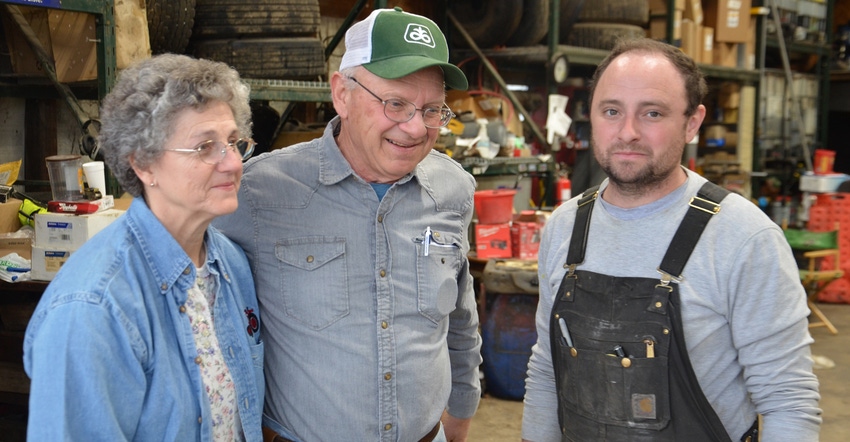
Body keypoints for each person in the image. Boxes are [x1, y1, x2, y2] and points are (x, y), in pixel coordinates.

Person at [522, 38, 822, 441]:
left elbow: (789, 400)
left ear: (693, 122)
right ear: (592, 115)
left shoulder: (744, 236)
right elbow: (546, 369)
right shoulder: (565, 225)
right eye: (612, 111)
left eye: (652, 113)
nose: (627, 132)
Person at [213, 7, 482, 442]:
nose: (415, 128)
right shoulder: (257, 193)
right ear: (342, 93)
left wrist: (464, 406)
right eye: (395, 104)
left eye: (432, 110)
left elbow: (461, 312)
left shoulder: (454, 188)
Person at [23, 54, 265, 441]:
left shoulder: (230, 265)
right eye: (205, 147)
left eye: (234, 142)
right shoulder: (94, 307)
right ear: (143, 165)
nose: (232, 163)